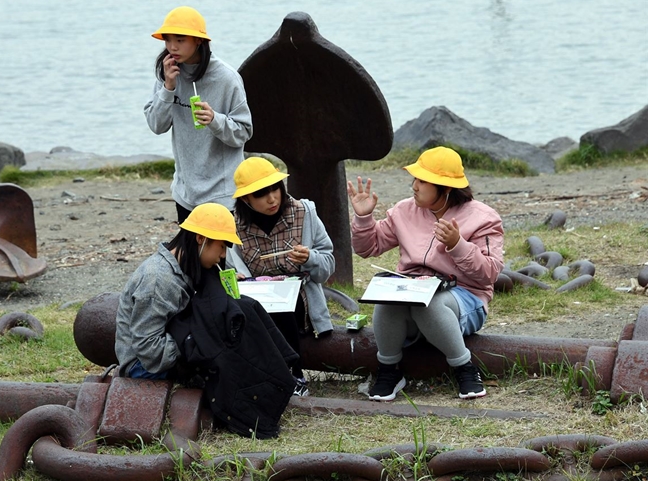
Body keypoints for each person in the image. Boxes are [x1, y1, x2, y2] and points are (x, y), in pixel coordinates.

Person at [115, 202, 298, 438]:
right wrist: (200, 337)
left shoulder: (186, 265)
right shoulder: (159, 281)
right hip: (144, 368)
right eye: (222, 247)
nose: (223, 255)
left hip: (169, 351)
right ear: (201, 239)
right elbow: (148, 350)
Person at [347, 146, 504, 401]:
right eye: (415, 179)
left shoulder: (483, 218)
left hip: (464, 299)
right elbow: (368, 248)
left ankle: (464, 367)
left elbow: (489, 274)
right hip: (411, 291)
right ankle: (388, 370)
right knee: (387, 301)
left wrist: (458, 245)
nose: (414, 186)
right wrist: (364, 218)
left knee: (428, 304)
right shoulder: (403, 211)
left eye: (422, 180)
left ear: (446, 188)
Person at [226, 157, 335, 397]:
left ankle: (293, 373)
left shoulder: (305, 213)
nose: (272, 198)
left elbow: (327, 266)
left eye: (275, 188)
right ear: (246, 199)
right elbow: (224, 269)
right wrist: (237, 276)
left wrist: (310, 259)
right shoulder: (233, 225)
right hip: (255, 299)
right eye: (261, 194)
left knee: (282, 305)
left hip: (299, 300)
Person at [145, 6, 253, 222]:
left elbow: (244, 132)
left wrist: (215, 120)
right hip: (185, 192)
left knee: (221, 255)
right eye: (167, 40)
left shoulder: (227, 78)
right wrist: (168, 88)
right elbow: (156, 125)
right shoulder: (168, 74)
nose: (172, 47)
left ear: (199, 41)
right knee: (191, 255)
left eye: (180, 40)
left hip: (223, 193)